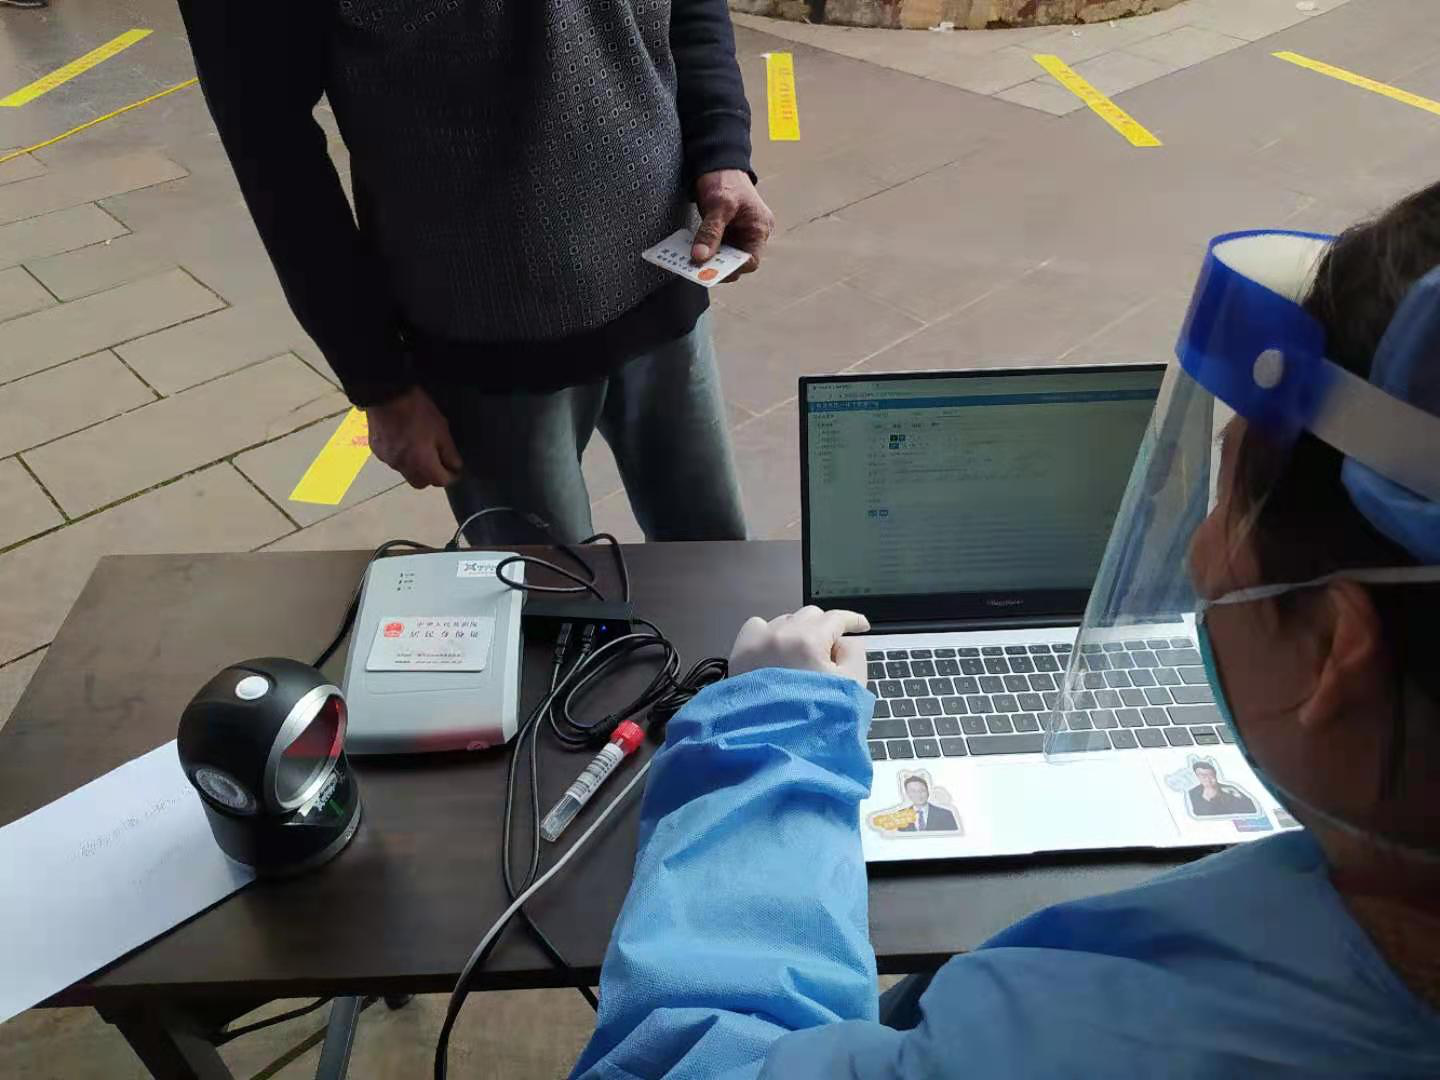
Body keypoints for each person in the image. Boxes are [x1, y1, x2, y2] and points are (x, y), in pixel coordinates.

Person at [569, 183, 1440, 1078]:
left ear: (1336, 650)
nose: (1199, 555)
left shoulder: (1071, 1048)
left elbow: (677, 1065)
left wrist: (771, 729)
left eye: (1227, 502)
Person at [177, 1, 771, 545]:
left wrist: (722, 149)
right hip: (487, 347)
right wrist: (378, 381)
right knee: (550, 609)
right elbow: (270, 143)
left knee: (717, 567)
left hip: (667, 278)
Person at [1187, 761, 1258, 818]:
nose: (1207, 778)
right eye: (1202, 775)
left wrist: (1238, 796)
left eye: (1210, 775)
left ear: (1215, 775)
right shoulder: (1191, 793)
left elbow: (1251, 809)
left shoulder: (1230, 790)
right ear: (1197, 777)